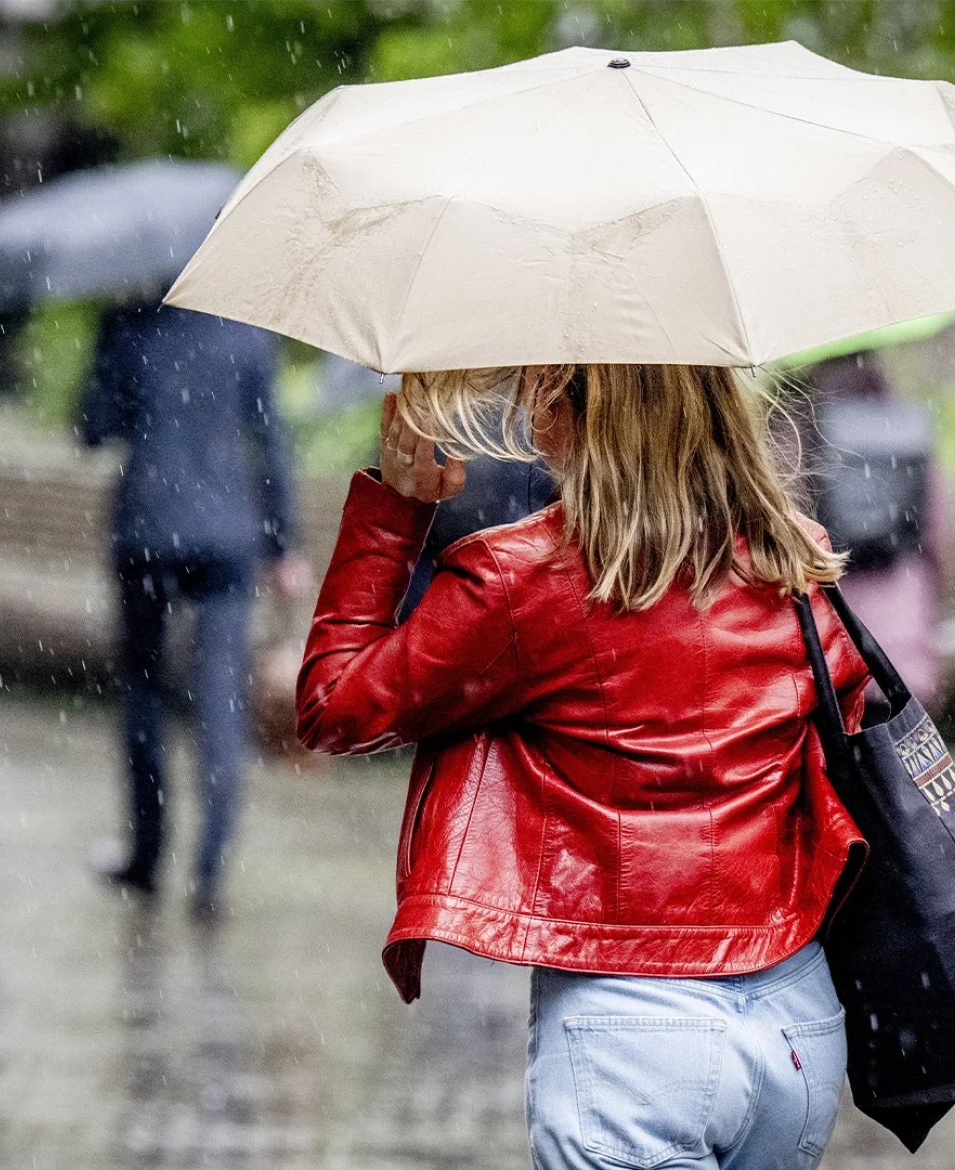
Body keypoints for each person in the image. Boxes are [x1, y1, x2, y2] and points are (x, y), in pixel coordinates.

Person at [297, 364, 870, 1170]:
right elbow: (841, 731)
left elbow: (336, 704)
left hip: (632, 1030)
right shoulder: (794, 560)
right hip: (794, 1024)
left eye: (537, 378)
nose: (527, 397)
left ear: (571, 399)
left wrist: (398, 509)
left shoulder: (526, 579)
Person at [81, 303, 310, 918]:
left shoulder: (127, 322)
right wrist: (284, 543)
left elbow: (92, 427)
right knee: (220, 699)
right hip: (227, 533)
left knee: (144, 694)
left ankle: (147, 858)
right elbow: (271, 439)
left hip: (147, 527)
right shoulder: (245, 328)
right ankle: (209, 876)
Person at [809, 352, 944, 717]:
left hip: (831, 649)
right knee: (903, 769)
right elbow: (940, 536)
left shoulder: (805, 431)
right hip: (902, 649)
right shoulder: (908, 431)